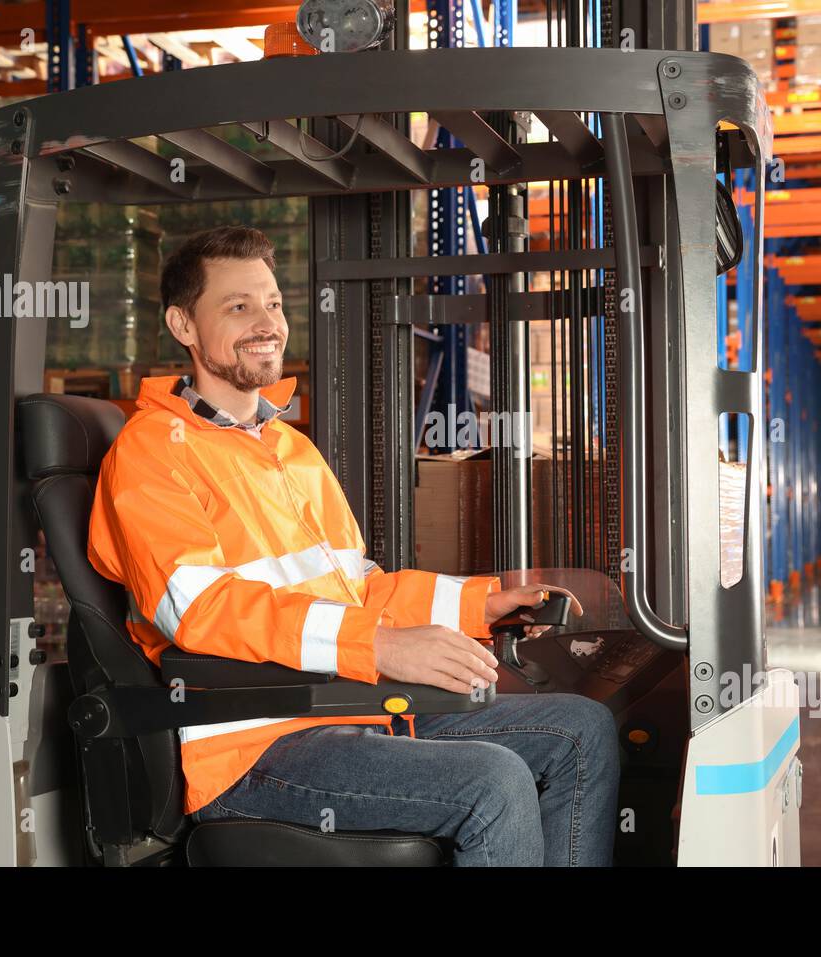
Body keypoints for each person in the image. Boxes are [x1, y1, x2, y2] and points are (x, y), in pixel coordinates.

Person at [88, 225, 619, 866]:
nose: (266, 323)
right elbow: (199, 610)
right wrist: (380, 646)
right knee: (494, 782)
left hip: (349, 707)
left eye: (274, 304)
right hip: (255, 747)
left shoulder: (289, 449)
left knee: (581, 732)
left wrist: (484, 604)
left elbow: (360, 588)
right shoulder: (151, 454)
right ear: (183, 325)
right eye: (238, 306)